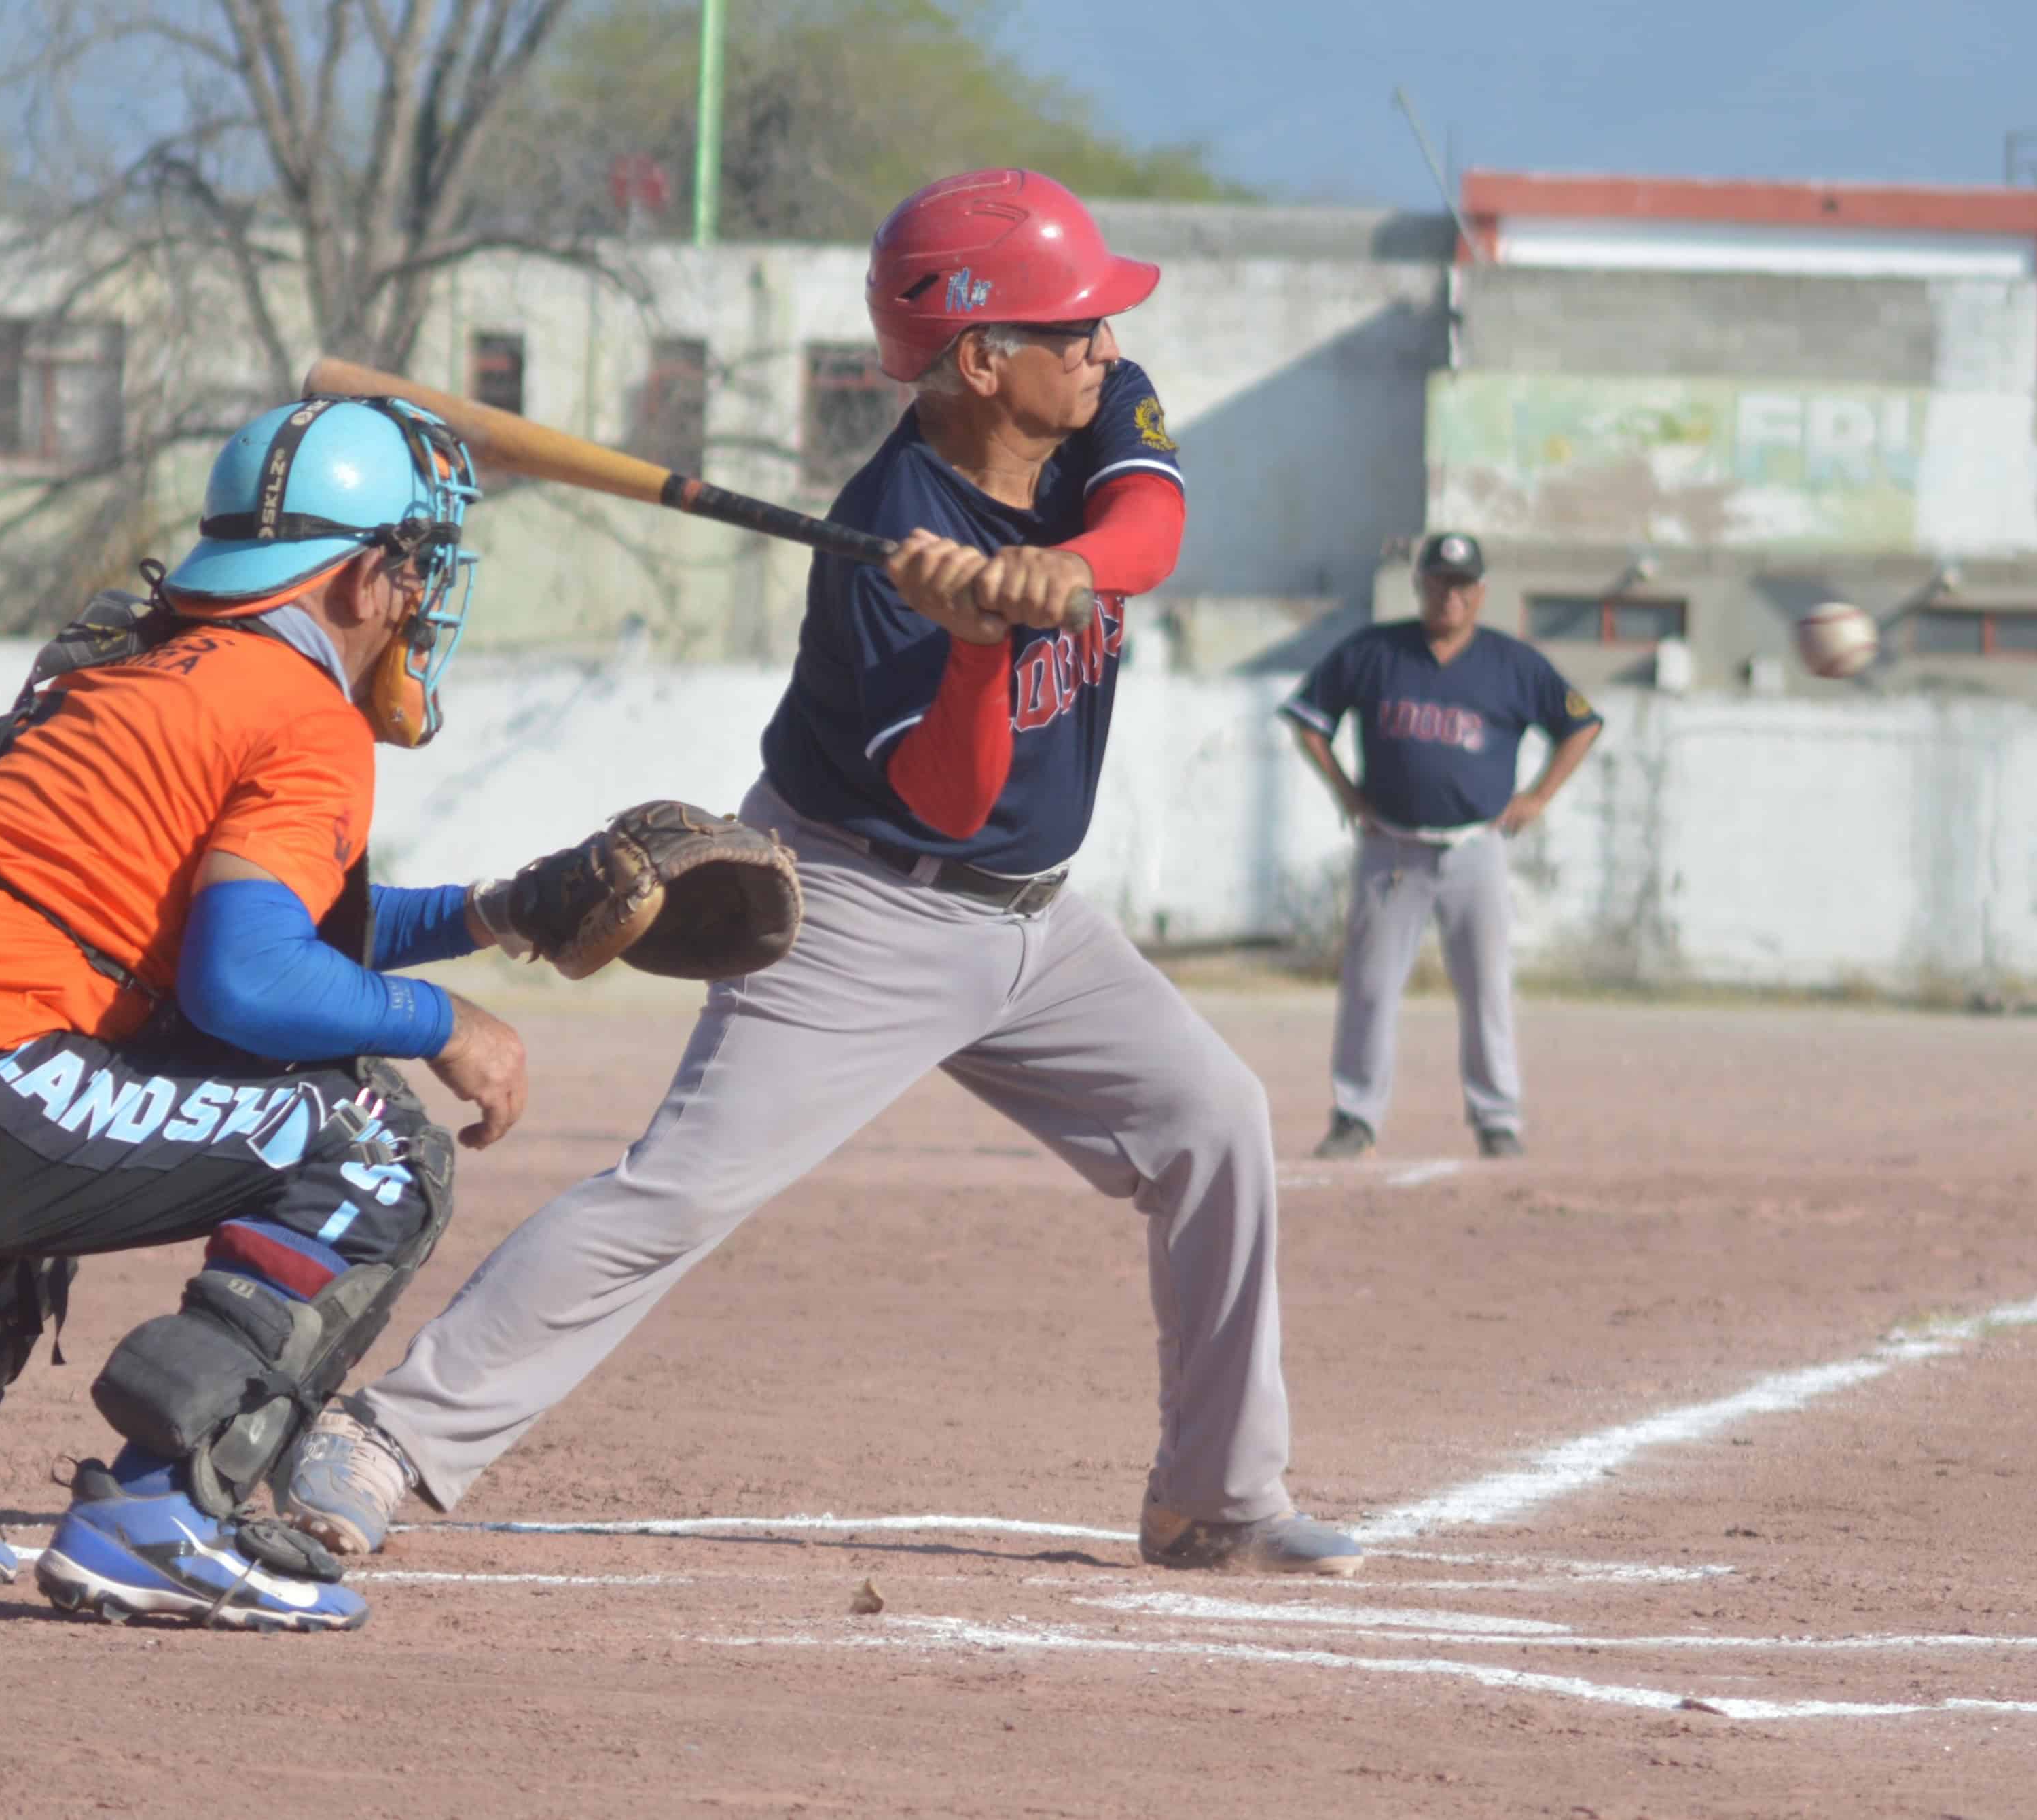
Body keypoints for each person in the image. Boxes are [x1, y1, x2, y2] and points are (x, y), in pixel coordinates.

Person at [280, 169, 1365, 1580]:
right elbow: (945, 793)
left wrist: (1070, 573)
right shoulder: (875, 548)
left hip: (1038, 918)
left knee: (1214, 1121)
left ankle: (1212, 1497)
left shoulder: (1097, 402)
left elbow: (1147, 532)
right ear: (981, 358)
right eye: (1072, 326)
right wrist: (975, 642)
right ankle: (381, 1438)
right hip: (858, 903)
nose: (1105, 346)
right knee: (680, 1189)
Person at [0, 395, 535, 1633]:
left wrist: (501, 907)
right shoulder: (302, 712)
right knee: (375, 1141)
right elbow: (246, 979)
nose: (420, 599)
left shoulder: (146, 662)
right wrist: (443, 1018)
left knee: (62, 1074)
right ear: (362, 577)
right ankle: (163, 1514)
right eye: (414, 569)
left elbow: (235, 924)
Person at [1280, 530, 1605, 1162]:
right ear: (1419, 586)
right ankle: (1355, 1115)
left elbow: (1580, 723)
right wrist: (1346, 791)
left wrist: (1537, 797)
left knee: (1486, 985)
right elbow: (1308, 718)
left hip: (1473, 847)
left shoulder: (1513, 663)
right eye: (1437, 583)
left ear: (1479, 593)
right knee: (1370, 985)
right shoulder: (1376, 651)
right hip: (1391, 848)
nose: (1448, 597)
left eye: (1460, 586)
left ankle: (1496, 1116)